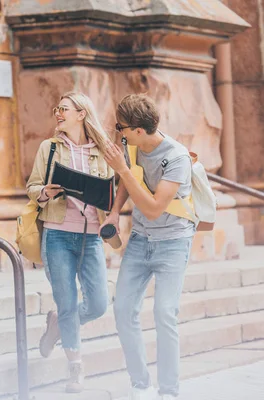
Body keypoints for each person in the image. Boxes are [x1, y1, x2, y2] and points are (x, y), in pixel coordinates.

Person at [101, 94, 196, 400]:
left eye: (122, 127)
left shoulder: (177, 158)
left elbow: (155, 208)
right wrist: (115, 211)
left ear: (139, 130)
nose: (120, 132)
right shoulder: (132, 147)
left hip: (173, 242)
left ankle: (168, 391)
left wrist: (123, 169)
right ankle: (140, 384)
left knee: (164, 312)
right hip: (141, 240)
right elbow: (126, 184)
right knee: (123, 309)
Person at [26, 92, 115, 393]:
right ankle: (75, 368)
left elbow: (113, 193)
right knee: (66, 302)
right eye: (56, 109)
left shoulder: (103, 152)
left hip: (90, 237)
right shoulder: (48, 148)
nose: (58, 114)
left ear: (81, 113)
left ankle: (57, 325)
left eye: (64, 109)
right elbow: (32, 186)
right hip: (58, 235)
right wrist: (44, 193)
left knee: (99, 303)